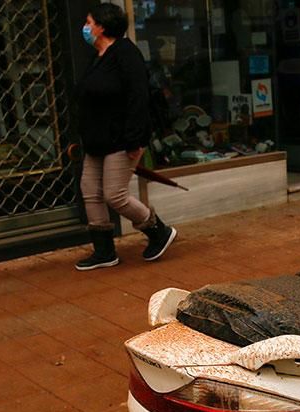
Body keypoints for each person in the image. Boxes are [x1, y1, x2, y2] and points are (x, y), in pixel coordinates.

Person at [75, 2, 177, 271]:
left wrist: (135, 139)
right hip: (96, 141)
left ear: (101, 26)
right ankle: (104, 252)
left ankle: (158, 231)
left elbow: (138, 98)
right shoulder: (98, 57)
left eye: (89, 22)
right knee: (90, 191)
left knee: (115, 195)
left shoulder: (125, 53)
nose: (85, 27)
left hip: (121, 140)